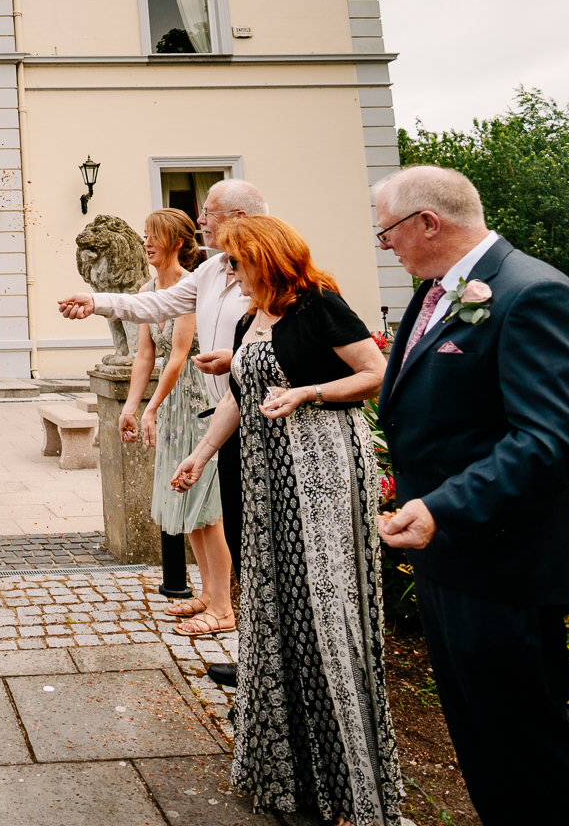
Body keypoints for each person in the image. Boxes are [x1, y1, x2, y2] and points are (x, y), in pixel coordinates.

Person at [373, 165, 569, 825]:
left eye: (387, 231)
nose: (384, 244)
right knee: (483, 742)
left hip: (506, 561)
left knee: (527, 746)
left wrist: (441, 505)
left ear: (429, 222)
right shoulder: (438, 293)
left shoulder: (533, 293)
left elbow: (550, 440)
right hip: (450, 555)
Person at [169, 215, 398, 823]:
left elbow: (374, 375)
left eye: (237, 267)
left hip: (320, 471)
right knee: (274, 604)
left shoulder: (320, 304)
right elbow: (239, 401)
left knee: (320, 605)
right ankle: (288, 764)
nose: (233, 279)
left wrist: (309, 392)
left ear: (265, 260)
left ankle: (343, 766)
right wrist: (198, 455)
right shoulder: (252, 319)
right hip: (267, 479)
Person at [58, 177, 264, 688]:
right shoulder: (215, 270)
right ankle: (244, 641)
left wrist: (236, 362)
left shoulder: (271, 271)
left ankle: (249, 644)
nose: (201, 222)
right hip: (223, 417)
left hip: (257, 419)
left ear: (238, 217)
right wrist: (96, 300)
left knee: (242, 533)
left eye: (209, 212)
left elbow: (284, 341)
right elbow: (155, 307)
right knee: (225, 523)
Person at [118, 209, 231, 636]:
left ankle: (223, 605)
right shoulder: (150, 289)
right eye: (145, 235)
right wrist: (132, 405)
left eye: (154, 236)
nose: (146, 243)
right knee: (187, 508)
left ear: (177, 242)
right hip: (172, 406)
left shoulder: (191, 284)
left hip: (200, 402)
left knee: (207, 509)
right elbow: (146, 355)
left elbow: (179, 356)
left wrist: (151, 408)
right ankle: (207, 592)